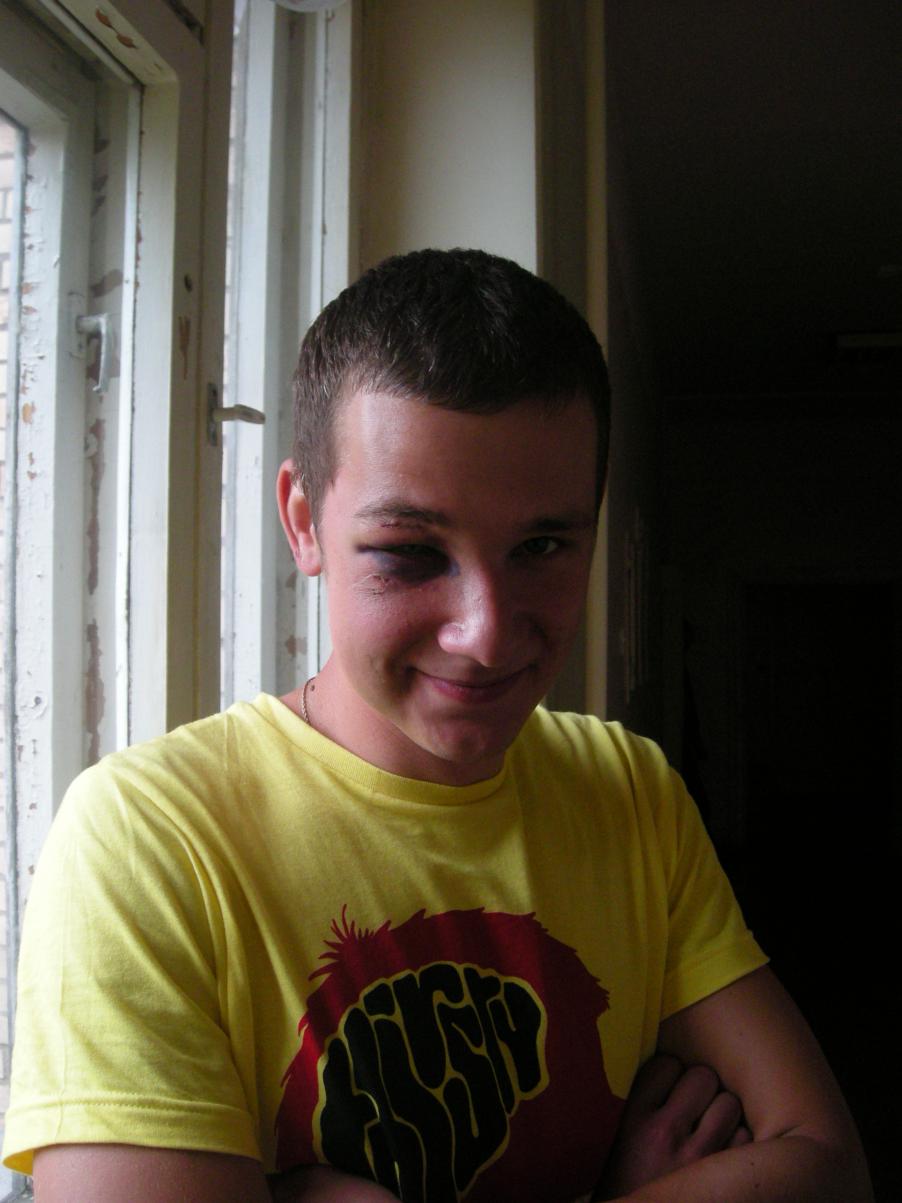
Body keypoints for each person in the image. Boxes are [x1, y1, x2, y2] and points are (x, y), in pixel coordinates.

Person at [3, 249, 871, 1202]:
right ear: (304, 521)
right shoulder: (152, 841)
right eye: (411, 552)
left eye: (542, 545)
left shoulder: (629, 789)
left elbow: (827, 1164)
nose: (484, 631)